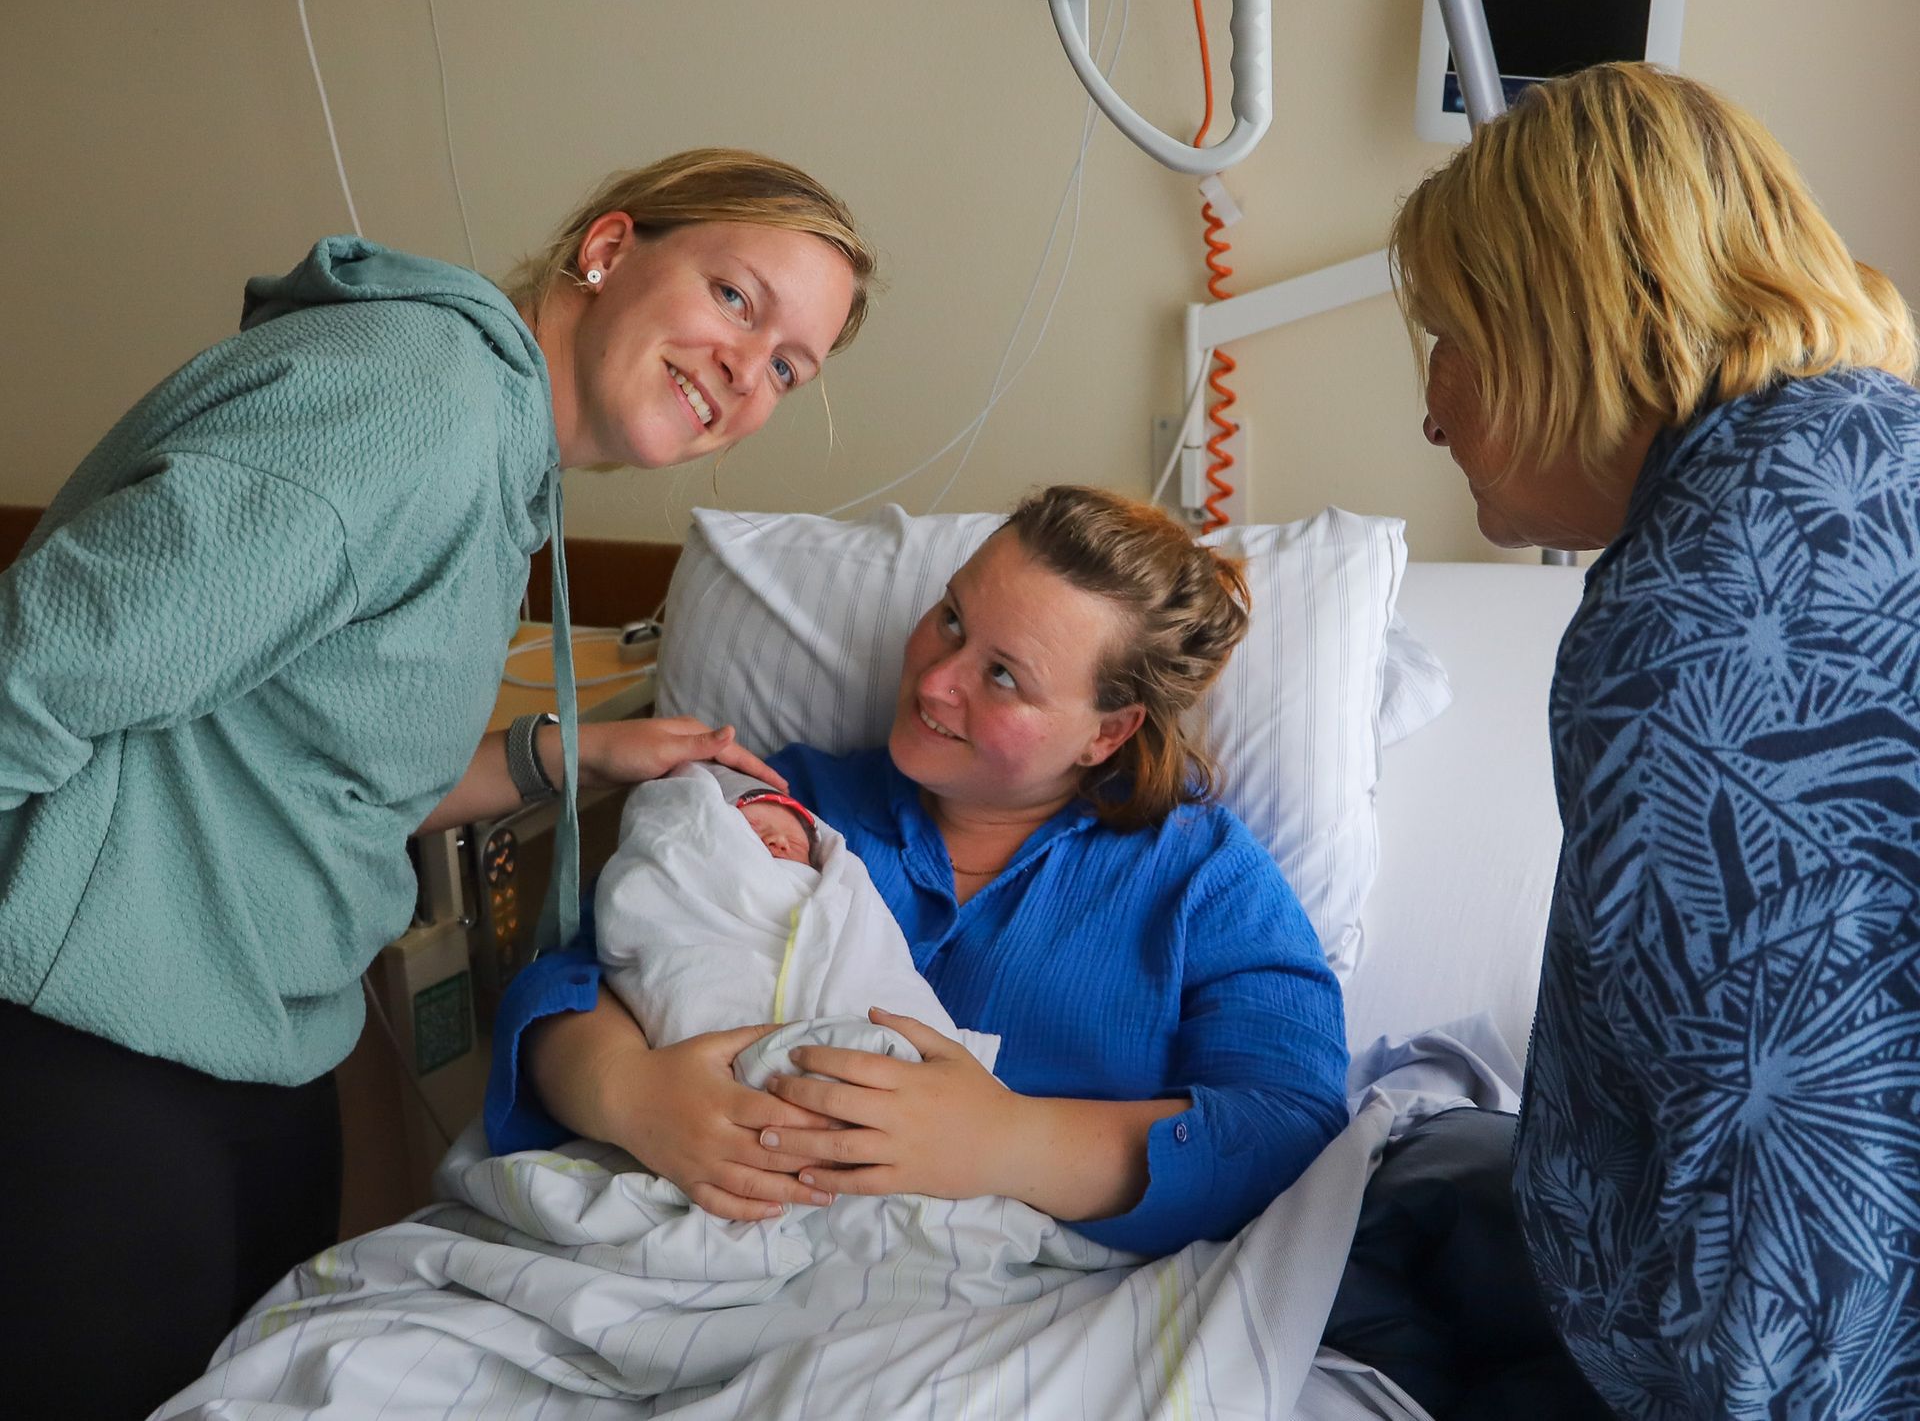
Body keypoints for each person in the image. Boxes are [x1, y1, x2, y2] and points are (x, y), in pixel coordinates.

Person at [0, 146, 874, 1415]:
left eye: (790, 366)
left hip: (237, 1037)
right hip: (82, 1027)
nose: (749, 371)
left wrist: (563, 757)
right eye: (736, 298)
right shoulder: (417, 409)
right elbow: (35, 668)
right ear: (609, 248)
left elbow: (324, 771)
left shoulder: (498, 460)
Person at [1389, 62, 1920, 1417]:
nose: (1432, 411)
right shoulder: (1879, 461)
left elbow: (1789, 1208)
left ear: (1564, 324)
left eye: (1446, 337)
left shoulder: (1690, 639)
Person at [490, 484, 1351, 1255]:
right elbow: (575, 977)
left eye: (1002, 675)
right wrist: (632, 1092)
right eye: (952, 619)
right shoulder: (783, 802)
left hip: (1007, 1299)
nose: (937, 680)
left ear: (1107, 732)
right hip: (703, 1246)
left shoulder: (1203, 879)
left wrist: (1008, 1141)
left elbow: (1289, 1126)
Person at [592, 759, 1002, 1093]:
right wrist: (628, 1087)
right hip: (702, 1087)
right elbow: (581, 971)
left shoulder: (842, 891)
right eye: (754, 831)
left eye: (798, 842)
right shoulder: (789, 782)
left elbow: (877, 962)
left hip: (908, 1085)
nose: (779, 842)